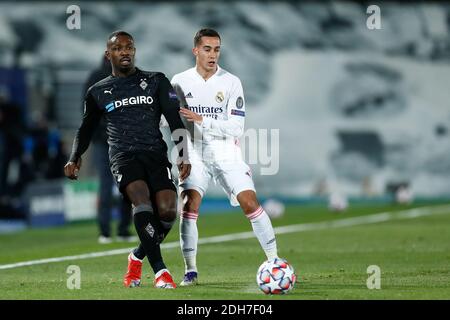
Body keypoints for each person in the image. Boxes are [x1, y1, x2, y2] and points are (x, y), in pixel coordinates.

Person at [64, 31, 191, 289]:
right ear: (107, 54)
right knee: (141, 203)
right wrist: (74, 157)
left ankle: (136, 257)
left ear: (134, 51)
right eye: (118, 48)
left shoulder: (157, 81)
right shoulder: (97, 91)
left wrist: (183, 152)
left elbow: (175, 118)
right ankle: (161, 272)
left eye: (129, 47)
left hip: (155, 154)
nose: (125, 52)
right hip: (123, 157)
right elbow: (86, 129)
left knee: (167, 213)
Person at [171, 28, 279, 286]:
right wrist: (182, 155)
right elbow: (174, 122)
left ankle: (274, 261)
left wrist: (202, 120)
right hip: (194, 152)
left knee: (250, 203)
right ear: (195, 50)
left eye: (217, 49)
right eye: (207, 49)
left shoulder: (231, 82)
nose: (212, 55)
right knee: (188, 205)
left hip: (225, 150)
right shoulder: (178, 81)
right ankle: (191, 271)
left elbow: (236, 128)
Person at [82, 56, 134, 244]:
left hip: (102, 141)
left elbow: (88, 110)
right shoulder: (129, 75)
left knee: (106, 184)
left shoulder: (94, 77)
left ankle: (104, 232)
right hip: (120, 141)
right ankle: (122, 229)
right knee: (125, 184)